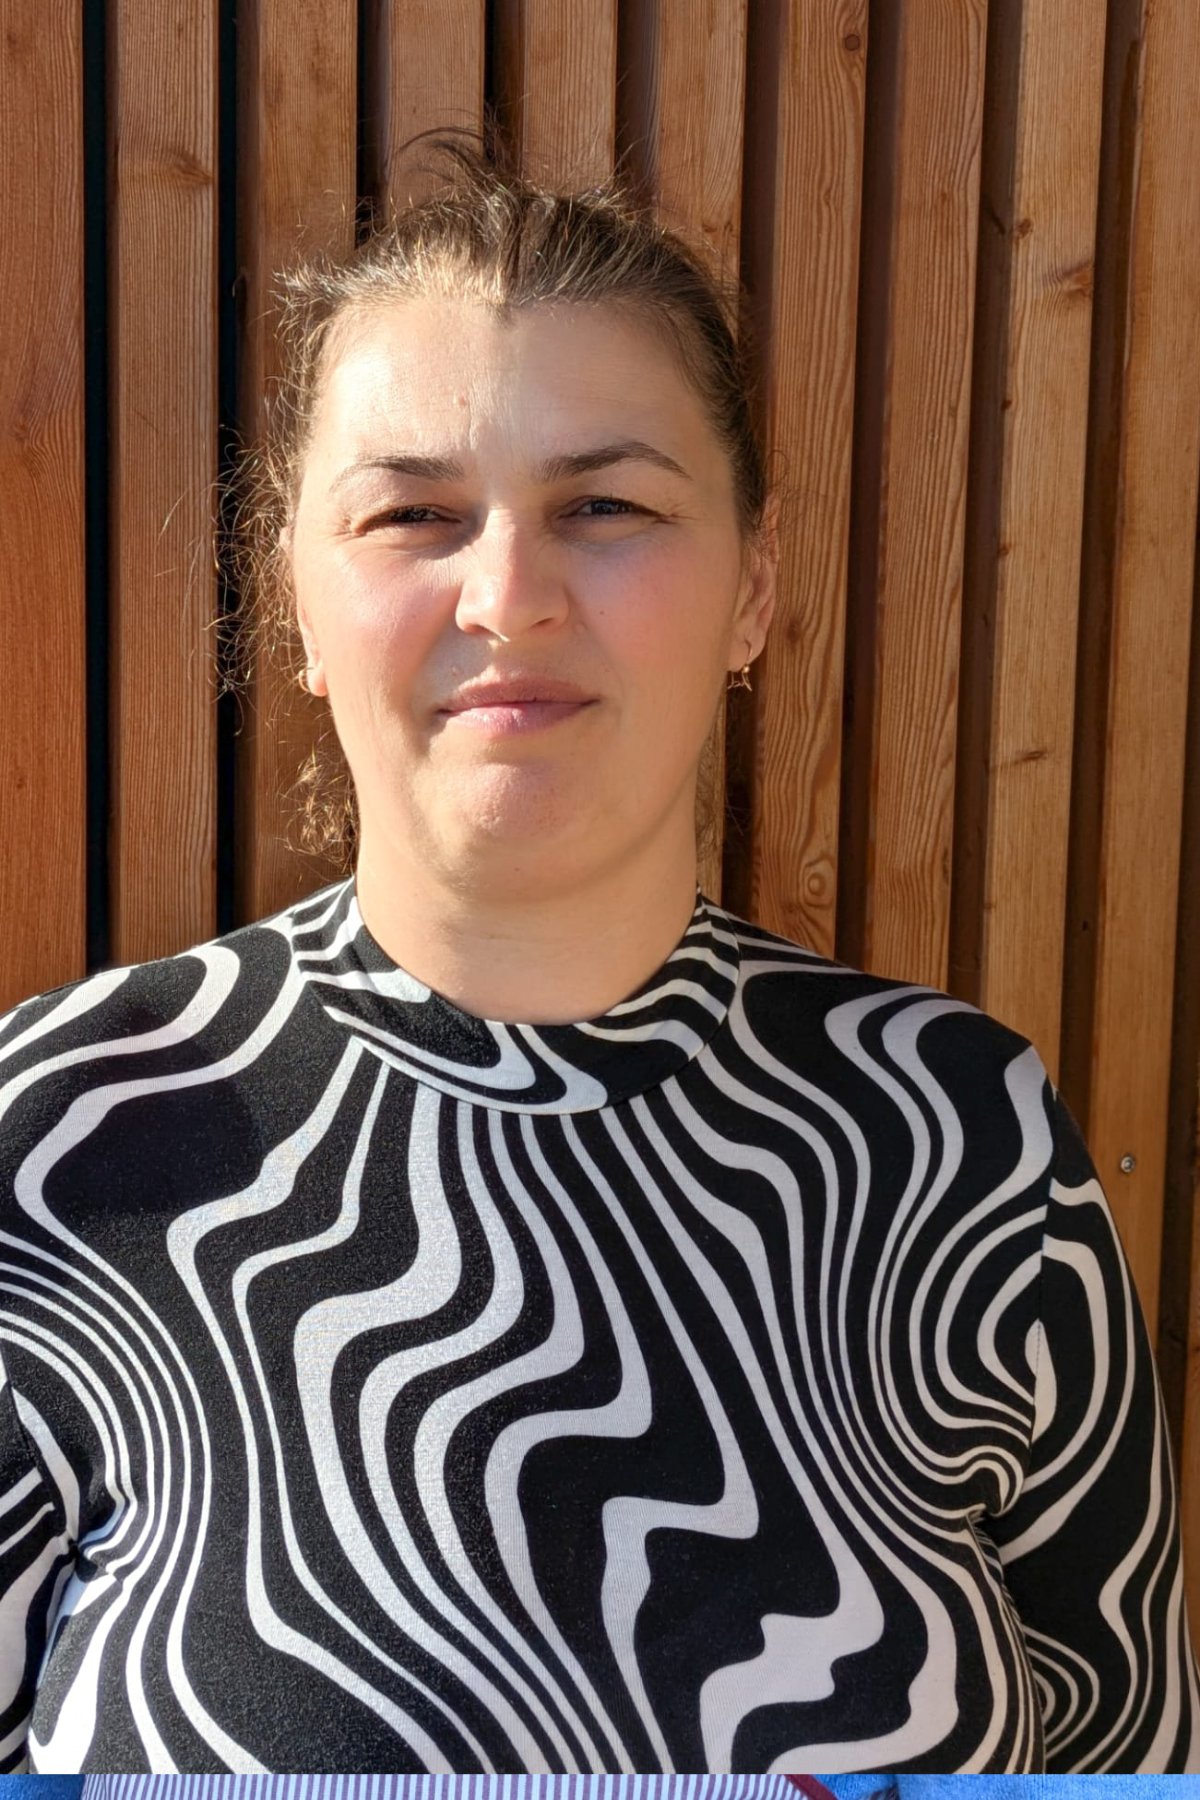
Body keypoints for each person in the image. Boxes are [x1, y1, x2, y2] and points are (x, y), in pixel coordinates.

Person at [0, 131, 1195, 1774]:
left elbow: (1128, 1760)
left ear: (754, 587)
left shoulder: (963, 1142)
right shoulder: (58, 1136)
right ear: (298, 601)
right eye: (413, 513)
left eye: (606, 506)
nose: (510, 595)